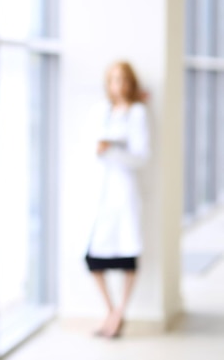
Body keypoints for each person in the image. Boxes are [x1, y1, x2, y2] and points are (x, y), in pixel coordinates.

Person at [83, 60, 150, 338]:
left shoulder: (138, 113)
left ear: (131, 82)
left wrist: (110, 149)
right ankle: (112, 311)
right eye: (113, 79)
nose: (118, 84)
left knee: (128, 255)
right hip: (102, 191)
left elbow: (141, 156)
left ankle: (120, 312)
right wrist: (105, 149)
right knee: (92, 258)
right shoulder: (102, 111)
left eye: (123, 79)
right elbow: (92, 145)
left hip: (124, 190)